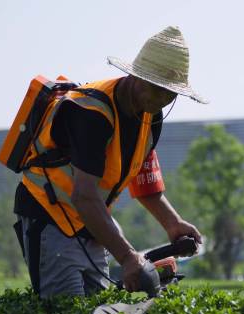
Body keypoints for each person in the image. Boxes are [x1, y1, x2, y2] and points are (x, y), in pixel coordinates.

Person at [13, 26, 207, 297]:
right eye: (157, 88)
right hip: (50, 214)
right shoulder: (93, 114)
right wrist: (128, 257)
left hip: (90, 221)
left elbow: (143, 178)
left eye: (170, 92)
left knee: (97, 312)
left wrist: (172, 223)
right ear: (137, 76)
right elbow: (83, 196)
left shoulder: (151, 117)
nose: (162, 99)